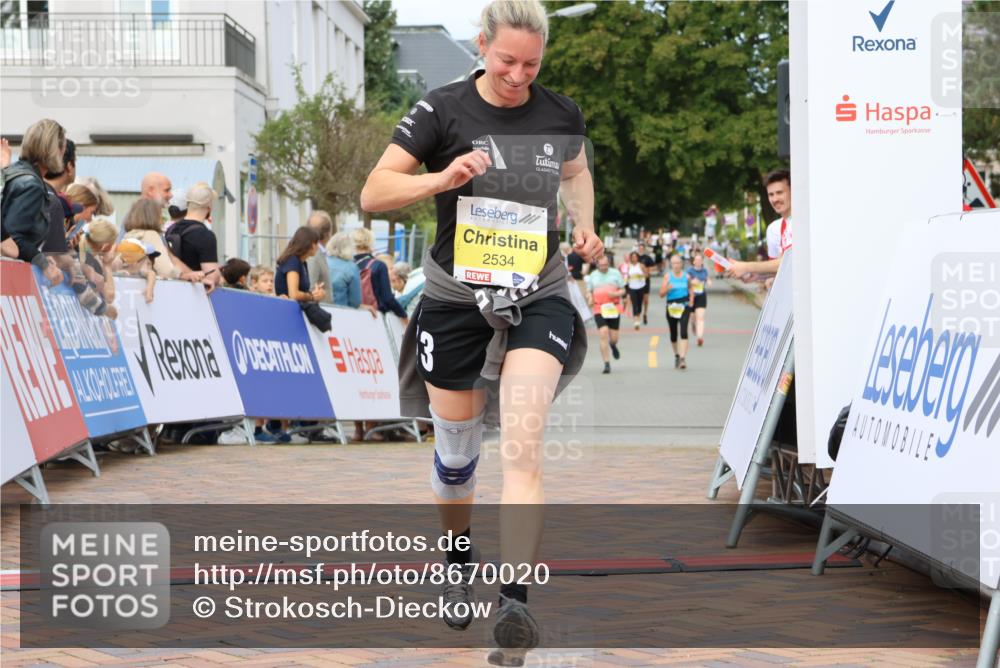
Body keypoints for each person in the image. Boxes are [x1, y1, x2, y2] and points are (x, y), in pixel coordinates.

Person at [359, 0, 601, 659]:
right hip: (456, 300)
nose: (519, 75)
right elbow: (373, 193)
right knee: (458, 454)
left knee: (521, 446)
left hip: (538, 292)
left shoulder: (561, 113)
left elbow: (576, 175)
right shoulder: (441, 110)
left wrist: (584, 222)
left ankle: (514, 607)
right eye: (506, 62)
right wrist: (443, 176)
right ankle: (458, 563)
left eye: (532, 63)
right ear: (481, 45)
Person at [0, 119, 65, 285]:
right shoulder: (32, 186)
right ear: (54, 149)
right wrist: (42, 263)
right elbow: (12, 239)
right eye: (62, 147)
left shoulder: (13, 172)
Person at [727, 170, 792, 279]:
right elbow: (778, 269)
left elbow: (789, 263)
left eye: (780, 192)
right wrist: (757, 276)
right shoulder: (774, 228)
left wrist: (746, 267)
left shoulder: (803, 224)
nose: (775, 199)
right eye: (771, 194)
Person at [122, 198, 203, 281]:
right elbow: (165, 270)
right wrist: (183, 275)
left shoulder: (128, 236)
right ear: (154, 216)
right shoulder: (150, 235)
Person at [166, 183, 220, 292]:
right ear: (209, 207)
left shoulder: (171, 229)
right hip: (195, 296)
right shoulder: (205, 235)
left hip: (169, 290)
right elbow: (211, 277)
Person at [352, 227, 407, 324]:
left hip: (352, 315)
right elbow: (388, 298)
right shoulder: (378, 265)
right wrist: (403, 315)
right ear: (370, 242)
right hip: (375, 318)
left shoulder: (349, 265)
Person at [587, 255, 625, 373]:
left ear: (609, 263)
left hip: (613, 308)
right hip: (599, 308)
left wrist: (616, 294)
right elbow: (589, 291)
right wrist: (589, 298)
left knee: (614, 338)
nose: (604, 267)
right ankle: (606, 363)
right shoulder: (593, 275)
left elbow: (623, 289)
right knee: (603, 333)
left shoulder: (615, 273)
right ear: (597, 264)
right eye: (601, 265)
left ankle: (613, 345)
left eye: (606, 265)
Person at [659, 253, 693, 369]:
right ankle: (677, 354)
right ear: (671, 265)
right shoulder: (667, 277)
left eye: (678, 263)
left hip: (684, 306)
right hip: (671, 307)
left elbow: (690, 288)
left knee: (683, 332)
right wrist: (667, 289)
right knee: (674, 334)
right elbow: (661, 294)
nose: (676, 265)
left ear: (681, 264)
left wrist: (691, 300)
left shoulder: (686, 276)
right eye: (674, 263)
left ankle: (683, 358)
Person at [326, 231, 367, 310]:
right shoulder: (351, 267)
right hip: (342, 312)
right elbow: (355, 301)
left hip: (320, 310)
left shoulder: (323, 261)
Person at [306, 210, 334, 303]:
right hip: (318, 312)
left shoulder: (319, 253)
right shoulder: (313, 255)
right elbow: (311, 289)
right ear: (329, 233)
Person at [687, 251, 711, 347]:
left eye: (700, 260)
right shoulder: (690, 271)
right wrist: (693, 282)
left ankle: (699, 337)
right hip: (691, 296)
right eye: (696, 260)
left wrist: (709, 281)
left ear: (702, 262)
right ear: (693, 262)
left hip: (701, 296)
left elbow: (707, 278)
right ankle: (693, 324)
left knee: (700, 318)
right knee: (693, 317)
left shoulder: (704, 271)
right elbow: (686, 281)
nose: (698, 261)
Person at [624, 251, 647, 331]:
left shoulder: (641, 266)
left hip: (640, 286)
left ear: (637, 257)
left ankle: (638, 316)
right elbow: (626, 276)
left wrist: (641, 275)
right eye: (632, 257)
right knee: (634, 304)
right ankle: (636, 321)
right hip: (632, 287)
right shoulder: (629, 266)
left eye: (635, 257)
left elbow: (647, 275)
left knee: (639, 304)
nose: (634, 258)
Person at [636, 242, 656, 324]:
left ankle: (645, 313)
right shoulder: (635, 257)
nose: (640, 249)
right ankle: (638, 316)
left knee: (645, 300)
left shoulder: (647, 258)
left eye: (642, 248)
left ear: (644, 249)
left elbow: (654, 267)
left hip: (645, 280)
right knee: (638, 299)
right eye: (639, 248)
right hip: (636, 281)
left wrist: (647, 271)